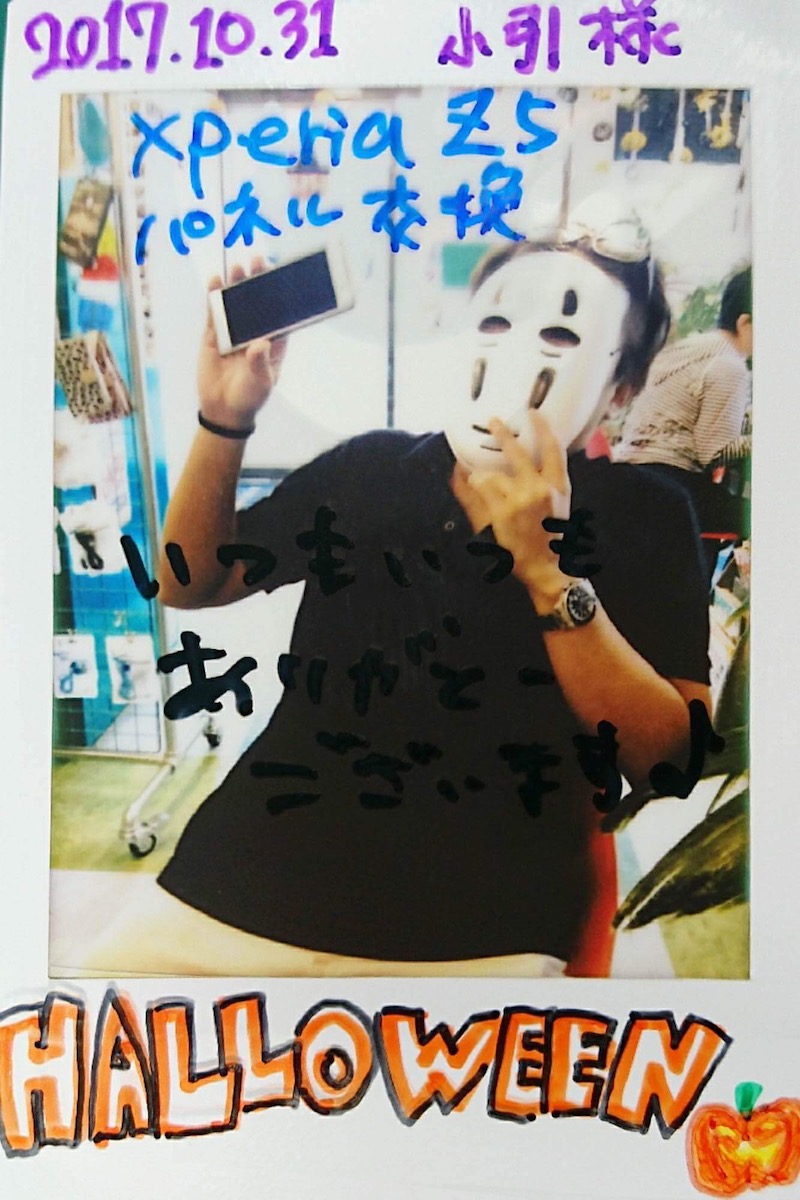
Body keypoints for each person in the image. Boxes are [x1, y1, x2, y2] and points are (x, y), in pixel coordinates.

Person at [102, 214, 714, 979]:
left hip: (479, 927)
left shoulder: (645, 511)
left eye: (563, 335)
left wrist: (548, 572)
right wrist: (225, 418)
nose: (516, 351)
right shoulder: (371, 469)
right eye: (495, 321)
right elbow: (189, 582)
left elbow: (672, 762)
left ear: (622, 387)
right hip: (244, 878)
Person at [615, 267, 752, 572]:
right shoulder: (730, 366)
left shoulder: (688, 349)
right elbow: (715, 450)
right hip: (671, 483)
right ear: (745, 323)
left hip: (631, 474)